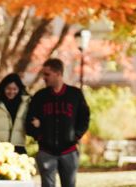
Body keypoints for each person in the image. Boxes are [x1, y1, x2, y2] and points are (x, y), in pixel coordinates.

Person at [25, 58, 90, 187]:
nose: (44, 78)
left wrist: (75, 136)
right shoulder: (40, 96)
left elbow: (84, 118)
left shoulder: (75, 94)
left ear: (58, 74)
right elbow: (29, 120)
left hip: (69, 151)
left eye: (47, 74)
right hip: (46, 151)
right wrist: (38, 135)